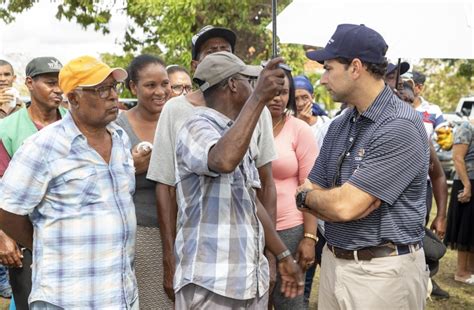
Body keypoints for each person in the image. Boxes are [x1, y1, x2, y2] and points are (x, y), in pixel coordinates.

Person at [295, 24, 430, 309]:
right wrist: (315, 198)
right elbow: (316, 190)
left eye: (328, 68)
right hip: (334, 263)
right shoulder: (340, 124)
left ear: (355, 67)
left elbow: (345, 207)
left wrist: (312, 200)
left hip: (383, 274)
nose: (322, 79)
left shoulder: (399, 125)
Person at [147, 25, 278, 301]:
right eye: (211, 52)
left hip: (248, 271)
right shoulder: (179, 112)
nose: (219, 55)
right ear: (196, 65)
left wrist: (274, 254)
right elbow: (166, 187)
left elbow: (263, 186)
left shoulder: (257, 111)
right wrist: (169, 258)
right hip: (208, 273)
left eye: (225, 51)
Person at [0, 55, 138, 309]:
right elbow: (7, 211)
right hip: (67, 296)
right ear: (73, 98)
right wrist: (43, 242)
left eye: (113, 87)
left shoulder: (119, 138)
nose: (112, 96)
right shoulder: (44, 146)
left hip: (119, 294)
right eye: (101, 89)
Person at [174, 51, 304, 309]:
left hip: (246, 281)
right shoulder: (196, 125)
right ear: (232, 84)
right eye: (249, 80)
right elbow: (222, 161)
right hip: (212, 282)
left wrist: (282, 254)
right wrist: (257, 99)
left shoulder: (237, 132)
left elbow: (251, 201)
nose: (255, 86)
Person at [0, 56, 65, 309]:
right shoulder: (6, 129)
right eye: (50, 82)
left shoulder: (75, 122)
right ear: (29, 83)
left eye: (61, 83)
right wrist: (3, 235)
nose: (58, 89)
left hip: (69, 239)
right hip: (24, 241)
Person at [115, 54, 172, 308]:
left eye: (165, 84)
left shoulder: (182, 121)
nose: (160, 92)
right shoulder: (117, 128)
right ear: (133, 87)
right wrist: (130, 166)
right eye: (151, 85)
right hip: (142, 234)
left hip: (184, 231)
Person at [267, 68, 318, 309]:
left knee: (290, 300)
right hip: (252, 230)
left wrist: (309, 237)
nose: (278, 97)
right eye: (272, 91)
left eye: (284, 92)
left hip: (289, 230)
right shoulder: (245, 127)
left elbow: (309, 188)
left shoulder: (299, 129)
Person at [444, 119, 474, 285]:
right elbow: (457, 158)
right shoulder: (466, 127)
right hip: (466, 182)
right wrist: (467, 185)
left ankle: (471, 270)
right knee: (465, 227)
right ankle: (461, 272)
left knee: (473, 230)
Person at [293, 75, 330, 148]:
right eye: (295, 99)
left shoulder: (324, 122)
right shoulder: (285, 122)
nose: (300, 103)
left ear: (312, 97)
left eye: (305, 97)